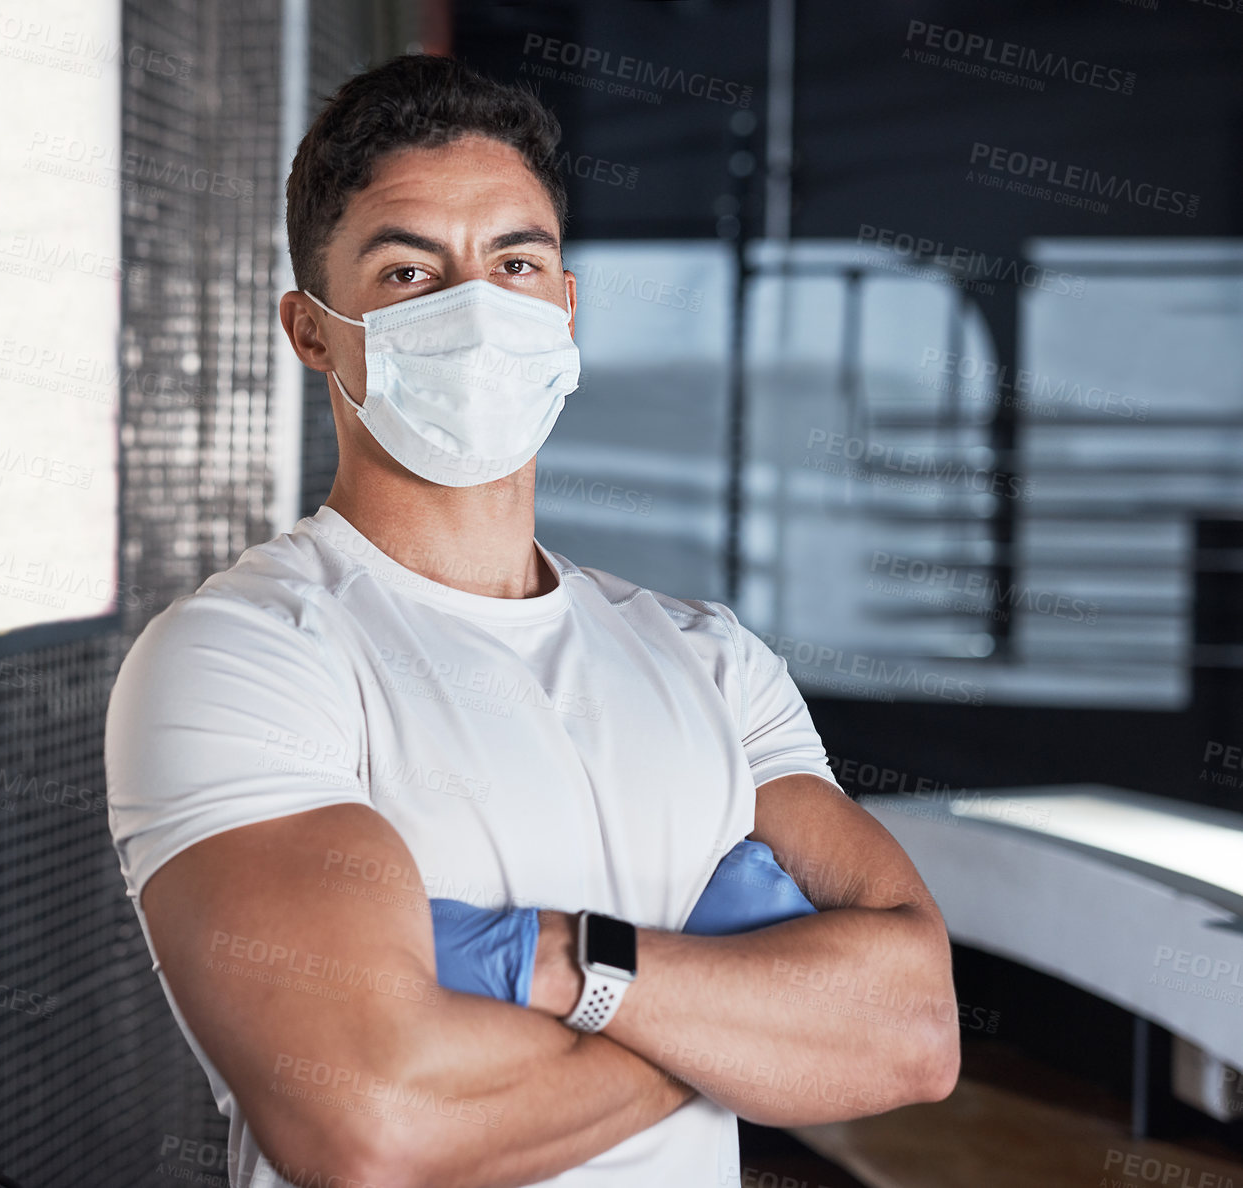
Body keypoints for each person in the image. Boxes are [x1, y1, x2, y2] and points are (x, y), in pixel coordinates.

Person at [105, 52, 958, 1188]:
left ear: (564, 306)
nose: (475, 308)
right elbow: (372, 1128)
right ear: (311, 332)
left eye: (514, 261)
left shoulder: (708, 663)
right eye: (409, 274)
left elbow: (911, 1030)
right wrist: (737, 1020)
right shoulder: (242, 658)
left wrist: (555, 963)